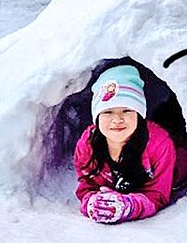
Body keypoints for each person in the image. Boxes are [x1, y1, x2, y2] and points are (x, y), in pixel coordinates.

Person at [74, 65, 177, 224]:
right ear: (97, 117)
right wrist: (92, 203)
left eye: (127, 110)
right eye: (108, 112)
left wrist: (129, 206)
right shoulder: (87, 145)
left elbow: (158, 194)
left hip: (178, 165)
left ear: (139, 114)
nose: (117, 120)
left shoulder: (160, 144)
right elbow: (86, 186)